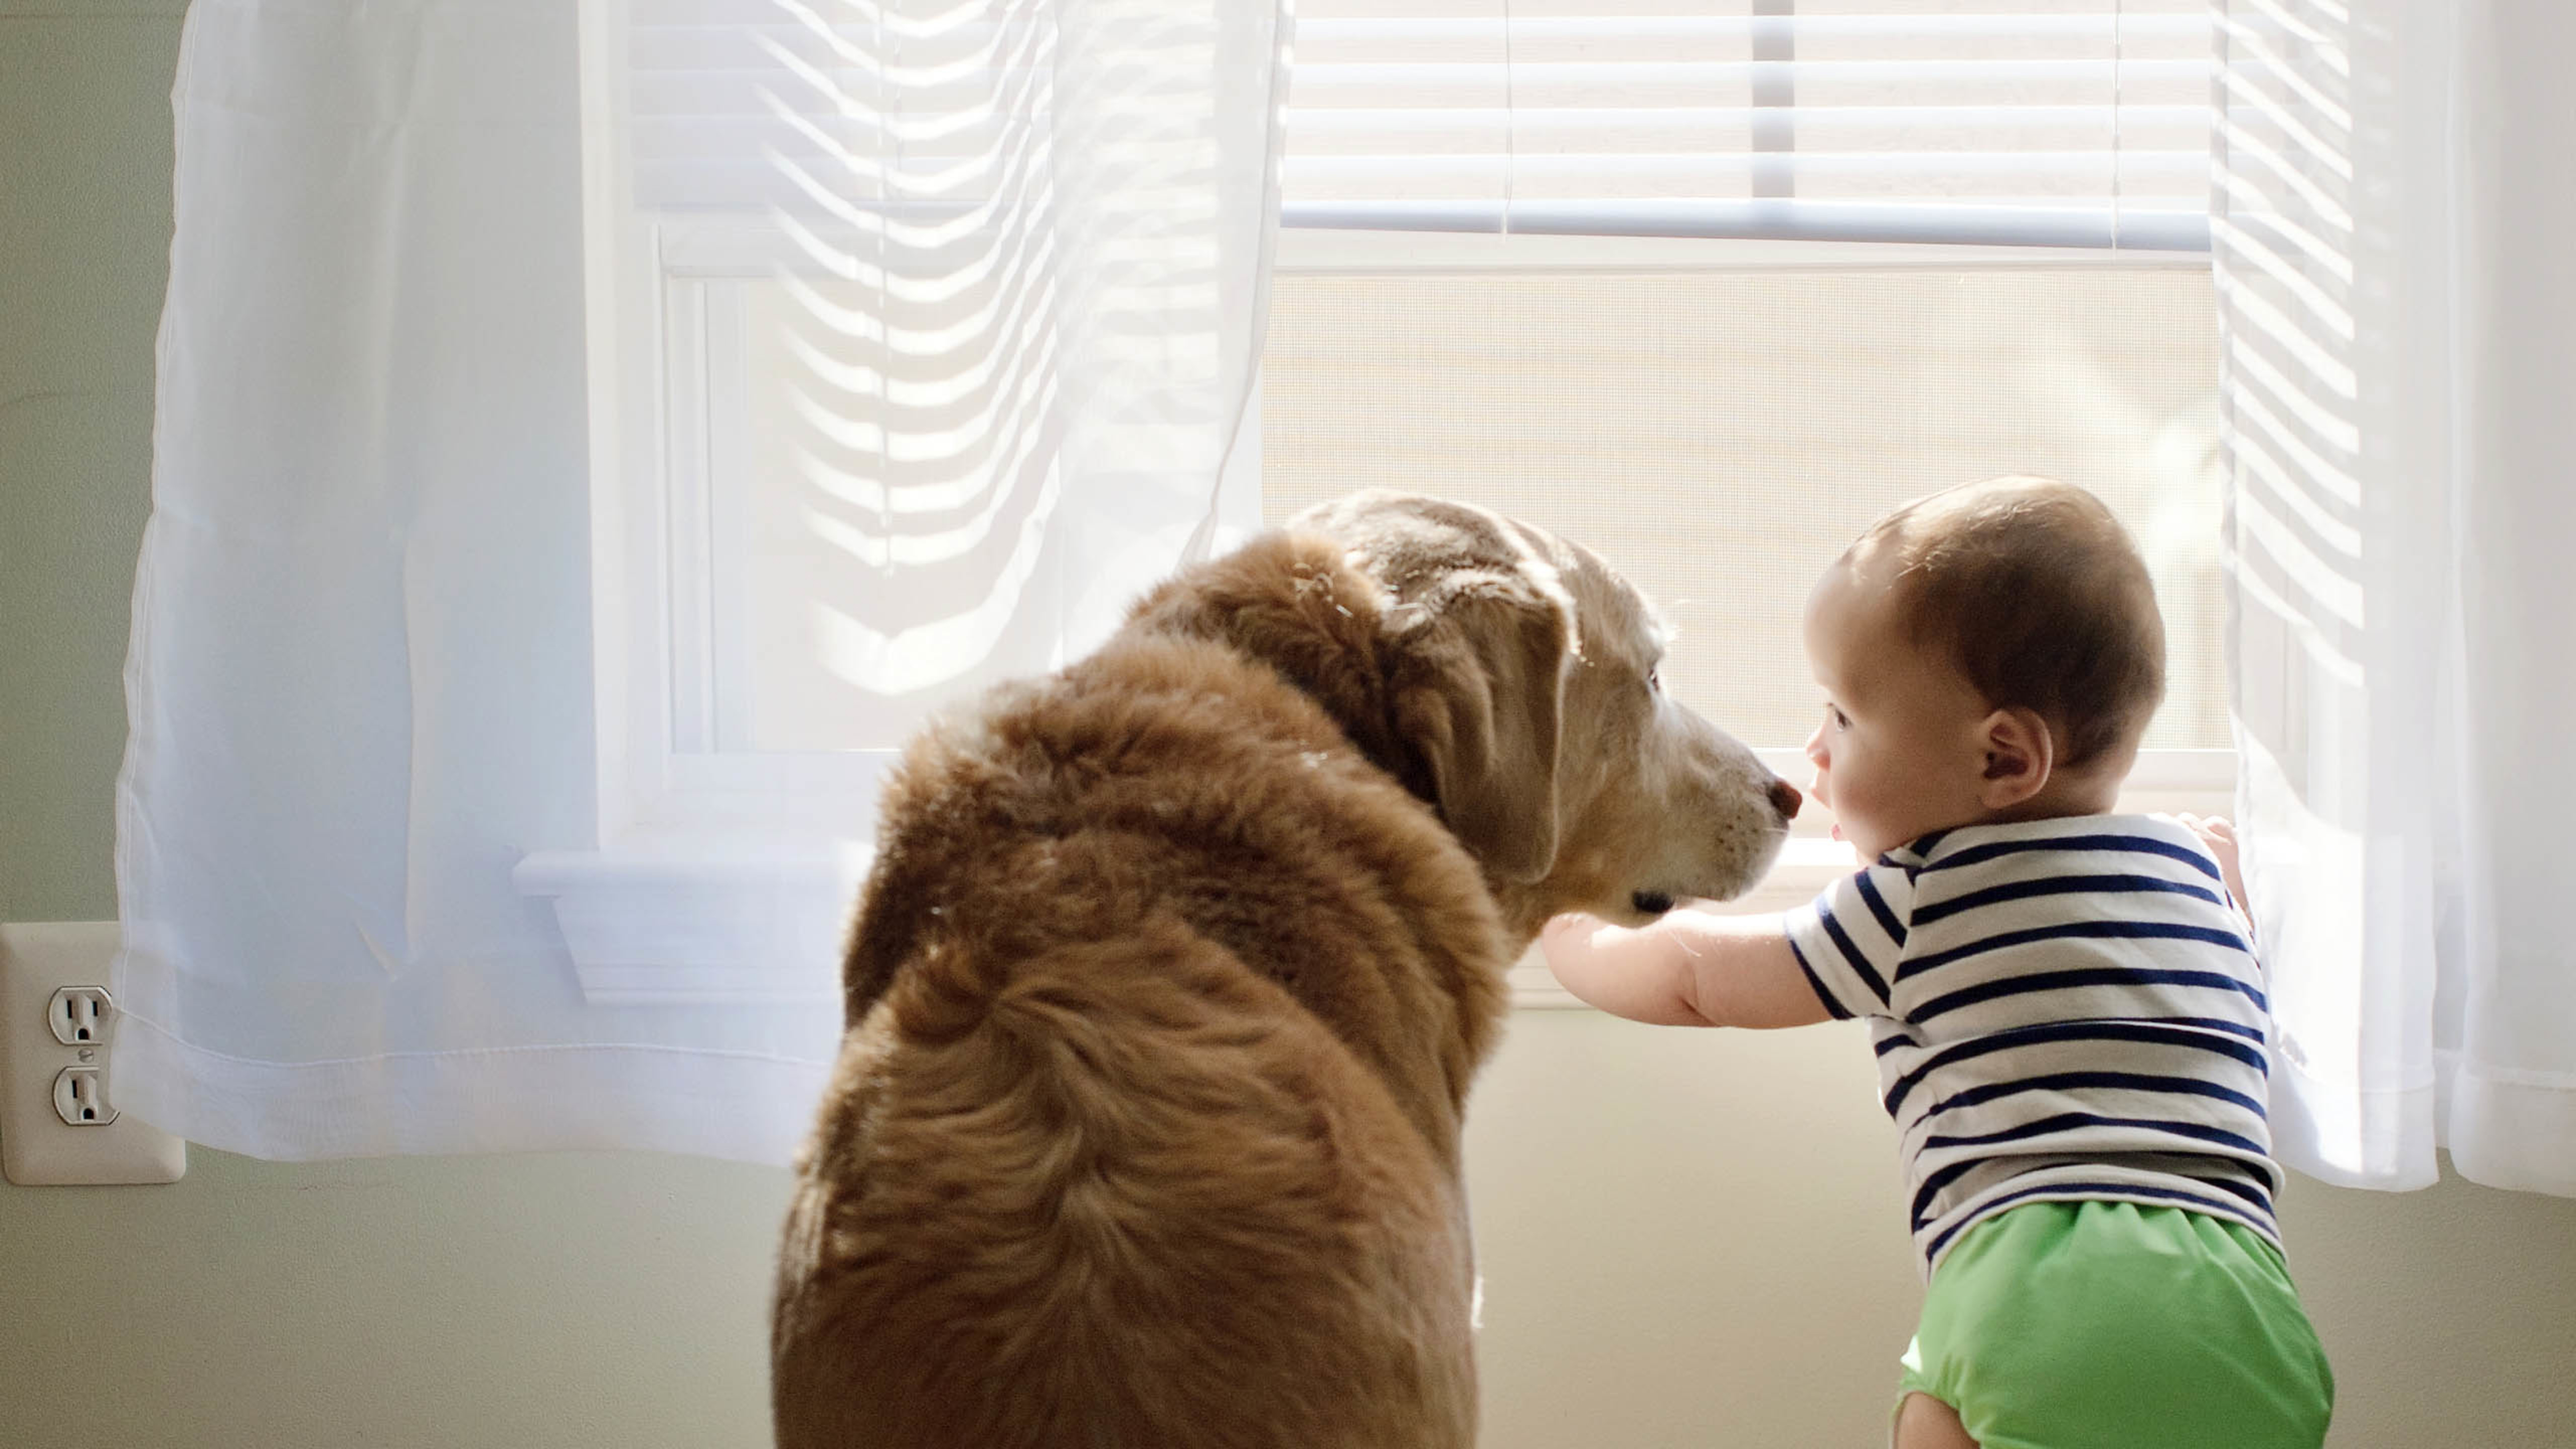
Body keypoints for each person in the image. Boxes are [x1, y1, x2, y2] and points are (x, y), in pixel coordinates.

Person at [1542, 476, 2332, 1448]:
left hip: (2033, 1289)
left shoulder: (1919, 894)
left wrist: (1568, 935)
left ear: (2004, 760)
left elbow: (1701, 981)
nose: (1814, 750)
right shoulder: (2189, 867)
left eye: (1842, 717)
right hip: (2244, 1301)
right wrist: (2226, 870)